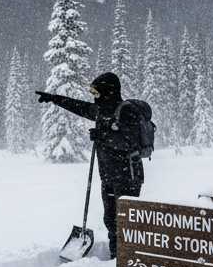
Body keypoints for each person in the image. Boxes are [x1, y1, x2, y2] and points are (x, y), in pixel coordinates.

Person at [35, 72, 152, 257]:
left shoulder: (126, 111)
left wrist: (102, 135)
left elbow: (128, 142)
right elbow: (80, 107)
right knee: (111, 220)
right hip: (109, 176)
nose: (94, 96)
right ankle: (117, 256)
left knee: (126, 221)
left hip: (128, 177)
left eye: (97, 92)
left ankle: (128, 257)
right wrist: (54, 99)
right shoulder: (102, 111)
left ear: (108, 91)